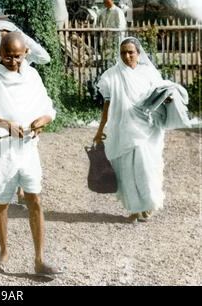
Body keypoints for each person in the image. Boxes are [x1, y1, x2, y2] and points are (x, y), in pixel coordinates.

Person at [0, 32, 60, 277]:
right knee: (1, 202)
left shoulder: (31, 75)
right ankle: (3, 253)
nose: (13, 62)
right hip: (2, 149)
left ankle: (40, 260)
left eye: (17, 57)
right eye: (8, 56)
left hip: (28, 147)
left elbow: (47, 108)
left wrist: (43, 120)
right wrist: (5, 125)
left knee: (35, 199)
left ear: (26, 54)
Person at [93, 37, 191, 223]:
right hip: (123, 127)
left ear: (138, 53)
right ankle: (134, 208)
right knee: (126, 170)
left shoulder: (149, 74)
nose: (127, 56)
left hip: (147, 128)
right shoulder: (111, 76)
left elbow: (160, 96)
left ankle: (149, 204)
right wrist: (100, 129)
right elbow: (107, 104)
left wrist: (168, 100)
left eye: (131, 52)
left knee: (146, 167)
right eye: (123, 52)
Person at [0, 20, 51, 204]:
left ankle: (21, 191)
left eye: (8, 34)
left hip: (23, 110)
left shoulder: (21, 58)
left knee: (24, 151)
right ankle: (2, 193)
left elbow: (44, 58)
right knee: (0, 159)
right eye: (0, 36)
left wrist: (22, 39)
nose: (5, 38)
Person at [97, 0, 127, 65]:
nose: (105, 3)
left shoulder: (118, 11)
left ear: (112, 1)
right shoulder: (103, 12)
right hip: (106, 37)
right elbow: (98, 23)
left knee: (115, 55)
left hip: (115, 37)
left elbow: (121, 27)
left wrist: (118, 37)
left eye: (107, 1)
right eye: (104, 1)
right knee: (106, 55)